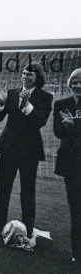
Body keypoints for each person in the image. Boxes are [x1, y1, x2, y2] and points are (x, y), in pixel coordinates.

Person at [0, 62, 53, 249]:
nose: (25, 77)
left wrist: (27, 104)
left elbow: (40, 122)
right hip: (8, 148)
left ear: (38, 78)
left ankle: (28, 231)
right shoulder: (11, 93)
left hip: (29, 150)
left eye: (30, 75)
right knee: (3, 190)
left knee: (27, 192)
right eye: (24, 74)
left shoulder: (45, 97)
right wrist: (1, 103)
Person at [53, 68, 81, 265]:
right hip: (71, 163)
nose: (78, 85)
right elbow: (58, 132)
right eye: (75, 82)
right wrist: (69, 127)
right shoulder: (61, 104)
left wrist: (75, 126)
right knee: (76, 208)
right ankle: (77, 252)